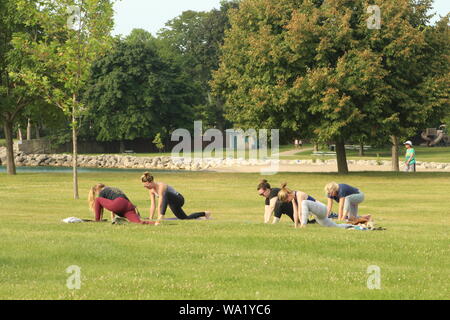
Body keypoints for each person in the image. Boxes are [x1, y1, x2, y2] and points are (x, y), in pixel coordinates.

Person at [278, 183, 353, 229]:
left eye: (287, 200)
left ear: (288, 194)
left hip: (323, 209)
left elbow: (300, 211)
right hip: (318, 216)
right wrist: (295, 226)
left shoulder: (299, 194)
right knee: (335, 227)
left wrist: (302, 224)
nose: (288, 202)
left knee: (304, 203)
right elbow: (295, 213)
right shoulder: (293, 199)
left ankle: (304, 225)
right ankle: (352, 226)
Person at [141, 172, 211, 221]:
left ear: (151, 182)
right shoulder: (151, 190)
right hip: (172, 204)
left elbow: (160, 203)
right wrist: (150, 218)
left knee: (166, 194)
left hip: (179, 199)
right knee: (185, 219)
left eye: (146, 185)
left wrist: (159, 216)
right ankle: (205, 213)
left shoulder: (161, 186)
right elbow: (153, 205)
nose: (145, 187)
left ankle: (162, 216)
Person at [88, 184, 156, 225]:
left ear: (97, 190)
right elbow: (112, 203)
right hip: (129, 206)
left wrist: (99, 219)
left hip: (119, 204)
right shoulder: (112, 189)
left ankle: (97, 221)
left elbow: (100, 207)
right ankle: (155, 223)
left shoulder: (102, 191)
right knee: (138, 222)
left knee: (97, 200)